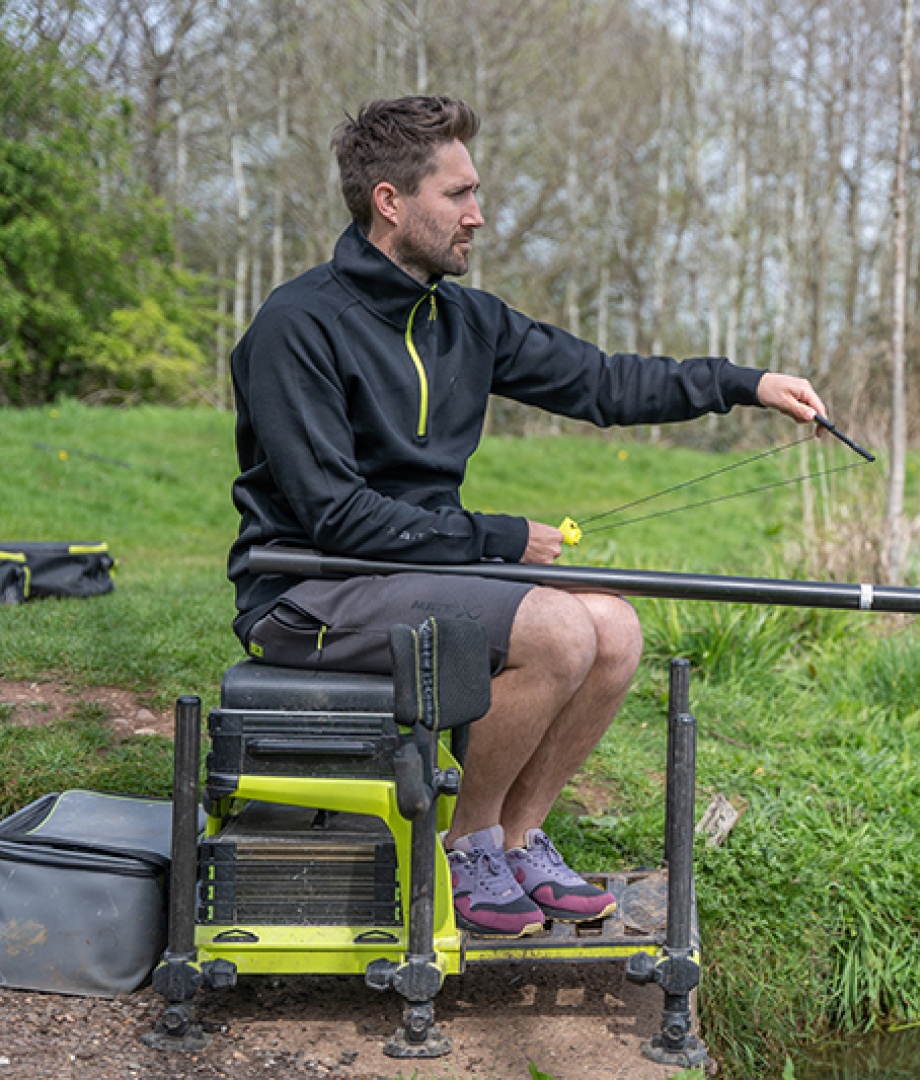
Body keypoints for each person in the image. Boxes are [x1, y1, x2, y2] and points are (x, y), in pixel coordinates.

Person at [226, 96, 827, 937]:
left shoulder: (465, 319)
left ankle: (515, 837)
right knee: (557, 632)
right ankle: (463, 843)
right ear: (390, 202)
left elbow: (605, 383)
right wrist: (498, 538)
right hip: (309, 588)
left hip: (421, 571)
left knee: (613, 629)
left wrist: (744, 383)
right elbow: (335, 518)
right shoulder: (297, 326)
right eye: (459, 194)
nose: (479, 214)